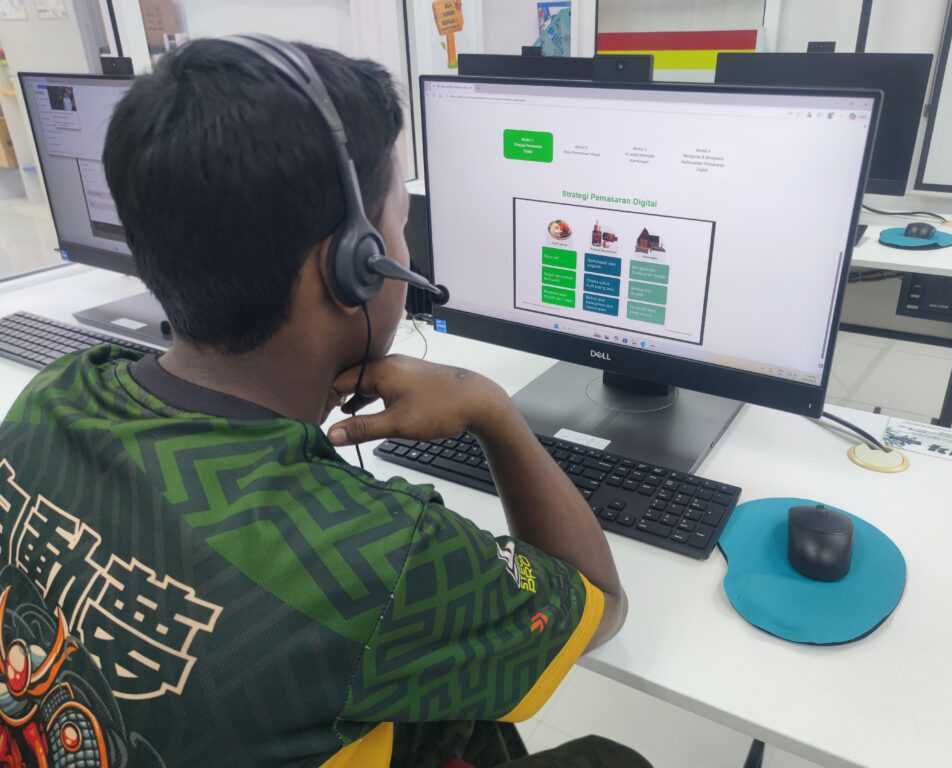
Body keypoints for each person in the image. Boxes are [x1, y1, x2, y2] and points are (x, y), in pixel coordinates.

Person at [0, 39, 650, 767]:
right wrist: (489, 406)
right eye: (399, 221)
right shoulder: (386, 564)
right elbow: (597, 602)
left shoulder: (55, 393)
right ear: (353, 267)